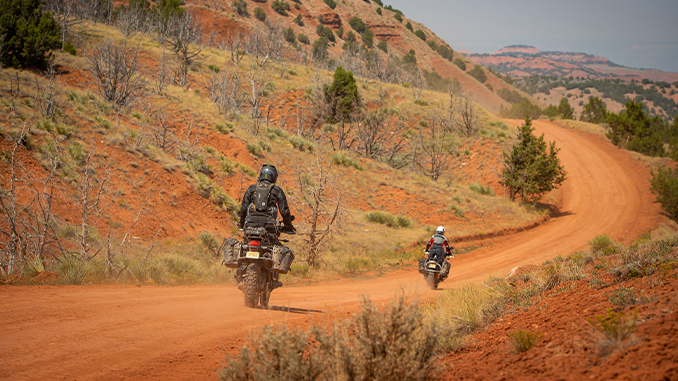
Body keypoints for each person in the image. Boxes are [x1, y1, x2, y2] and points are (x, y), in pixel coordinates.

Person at [236, 164, 295, 288]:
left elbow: (243, 209)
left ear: (261, 175)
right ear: (274, 177)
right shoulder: (277, 190)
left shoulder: (252, 189)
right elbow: (284, 211)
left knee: (244, 247)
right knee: (276, 247)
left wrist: (241, 224)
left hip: (249, 230)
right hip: (268, 231)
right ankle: (273, 278)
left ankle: (240, 274)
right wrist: (288, 226)